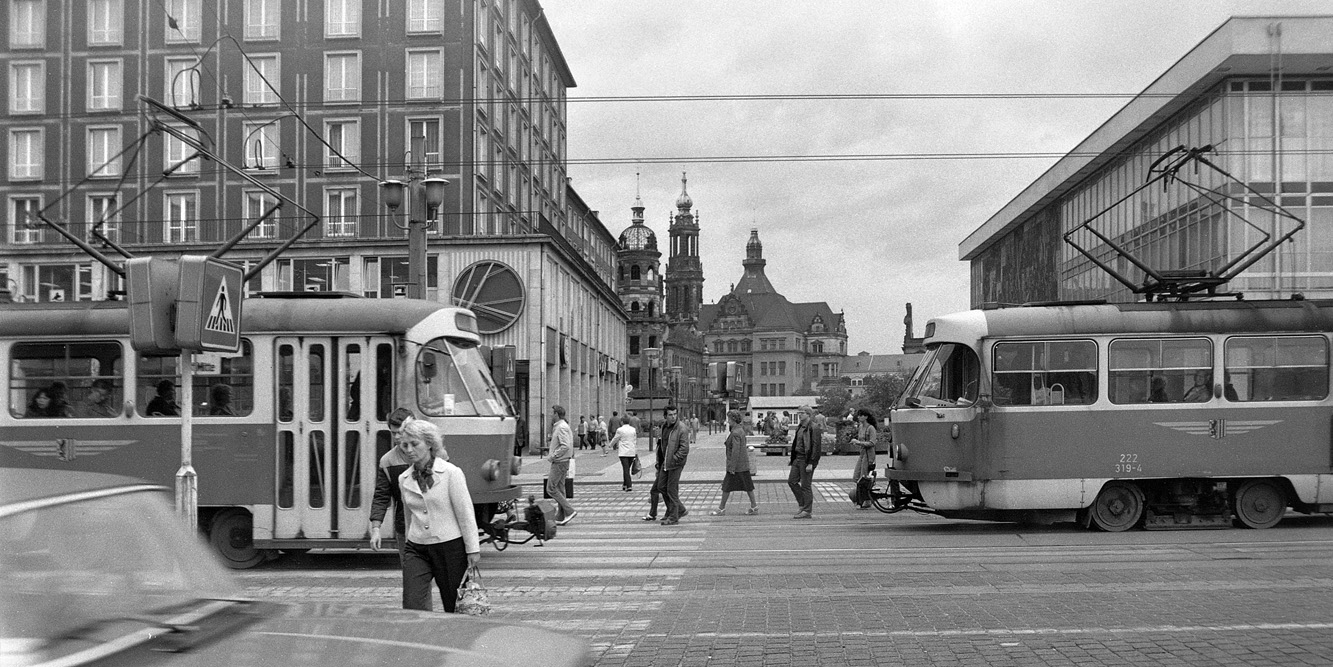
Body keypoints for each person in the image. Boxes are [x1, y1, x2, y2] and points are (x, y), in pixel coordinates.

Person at [396, 419, 481, 613]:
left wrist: (472, 549)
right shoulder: (404, 479)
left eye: (414, 444)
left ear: (429, 443)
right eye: (404, 445)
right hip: (417, 547)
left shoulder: (451, 473)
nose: (409, 450)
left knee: (454, 606)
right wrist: (409, 541)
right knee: (412, 603)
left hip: (449, 548)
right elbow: (409, 516)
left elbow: (465, 514)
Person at [370, 408, 416, 573]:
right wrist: (376, 528)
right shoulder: (387, 461)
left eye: (400, 432)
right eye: (393, 433)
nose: (396, 437)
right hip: (405, 527)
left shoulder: (432, 455)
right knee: (412, 576)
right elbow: (381, 496)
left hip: (433, 527)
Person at [710, 410, 758, 516]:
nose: (728, 421)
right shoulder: (740, 430)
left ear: (734, 419)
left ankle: (721, 508)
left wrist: (732, 466)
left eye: (729, 419)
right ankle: (754, 506)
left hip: (737, 466)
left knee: (726, 487)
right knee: (748, 486)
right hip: (743, 464)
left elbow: (735, 451)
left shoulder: (736, 432)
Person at [787, 405, 822, 519]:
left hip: (806, 459)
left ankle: (807, 510)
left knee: (805, 485)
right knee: (792, 481)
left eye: (802, 413)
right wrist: (792, 458)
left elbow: (816, 446)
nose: (799, 415)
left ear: (808, 414)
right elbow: (796, 443)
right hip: (798, 457)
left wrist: (811, 462)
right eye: (799, 413)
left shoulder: (813, 427)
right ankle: (802, 505)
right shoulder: (800, 427)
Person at [657, 404, 690, 526]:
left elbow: (684, 448)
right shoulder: (664, 427)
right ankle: (678, 510)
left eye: (675, 414)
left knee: (672, 490)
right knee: (661, 486)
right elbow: (662, 445)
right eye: (670, 415)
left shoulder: (681, 428)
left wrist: (675, 458)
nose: (673, 417)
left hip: (675, 463)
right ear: (665, 416)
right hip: (665, 462)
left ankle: (673, 517)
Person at [546, 405, 577, 525]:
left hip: (559, 461)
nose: (551, 415)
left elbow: (565, 446)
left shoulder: (561, 427)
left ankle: (569, 511)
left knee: (551, 488)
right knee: (560, 488)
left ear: (556, 414)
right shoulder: (562, 426)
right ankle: (560, 515)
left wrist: (553, 455)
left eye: (552, 413)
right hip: (563, 461)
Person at [850, 408, 878, 509]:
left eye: (861, 415)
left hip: (869, 455)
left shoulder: (871, 428)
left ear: (866, 417)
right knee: (857, 476)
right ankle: (862, 498)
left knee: (864, 477)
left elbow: (872, 442)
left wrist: (859, 443)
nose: (859, 417)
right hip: (862, 454)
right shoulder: (861, 427)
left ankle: (865, 500)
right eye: (858, 415)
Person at [607, 417, 638, 492]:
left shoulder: (620, 430)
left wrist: (610, 445)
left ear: (622, 422)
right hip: (631, 451)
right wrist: (635, 450)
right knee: (627, 468)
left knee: (625, 469)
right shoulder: (633, 429)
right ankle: (625, 484)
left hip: (623, 452)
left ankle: (629, 485)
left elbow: (615, 438)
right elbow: (634, 440)